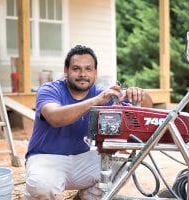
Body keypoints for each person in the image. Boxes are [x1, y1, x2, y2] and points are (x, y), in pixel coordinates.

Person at [24, 45, 153, 200]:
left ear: (95, 72)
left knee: (124, 167)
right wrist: (95, 102)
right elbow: (55, 118)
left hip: (84, 157)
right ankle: (34, 195)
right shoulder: (50, 90)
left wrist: (140, 94)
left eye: (88, 69)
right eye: (76, 68)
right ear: (66, 71)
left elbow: (145, 107)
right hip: (47, 157)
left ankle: (85, 197)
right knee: (42, 187)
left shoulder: (103, 93)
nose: (83, 74)